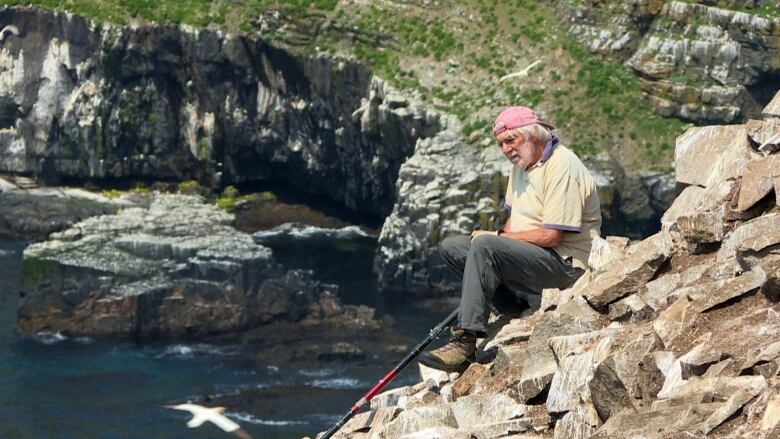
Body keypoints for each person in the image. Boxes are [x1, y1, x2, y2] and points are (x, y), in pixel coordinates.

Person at [419, 106, 602, 372]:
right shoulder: (522, 164)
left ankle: (465, 343)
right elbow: (514, 219)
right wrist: (501, 242)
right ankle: (510, 306)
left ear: (533, 136)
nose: (505, 149)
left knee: (484, 245)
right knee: (453, 246)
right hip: (536, 258)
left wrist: (497, 239)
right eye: (501, 144)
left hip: (567, 264)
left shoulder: (563, 166)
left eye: (510, 140)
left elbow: (552, 236)